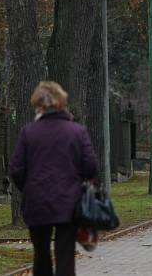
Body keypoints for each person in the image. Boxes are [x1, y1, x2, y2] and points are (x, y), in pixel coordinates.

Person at [9, 81, 97, 276]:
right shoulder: (77, 131)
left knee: (40, 254)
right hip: (69, 202)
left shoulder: (28, 132)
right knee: (65, 253)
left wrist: (30, 187)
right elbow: (91, 166)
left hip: (37, 201)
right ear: (62, 103)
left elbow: (16, 169)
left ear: (38, 105)